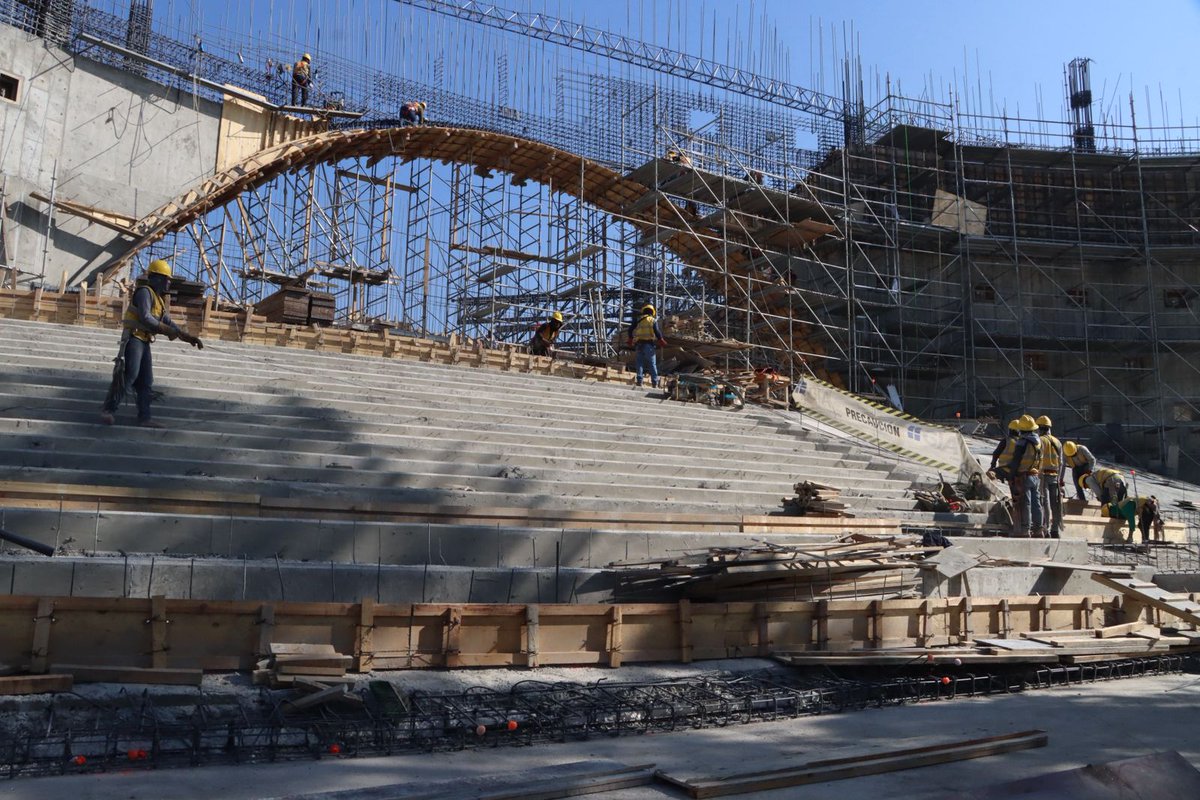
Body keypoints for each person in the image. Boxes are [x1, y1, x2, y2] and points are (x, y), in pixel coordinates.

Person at [100, 259, 203, 428]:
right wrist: (165, 330)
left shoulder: (159, 300)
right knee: (131, 374)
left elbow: (169, 322)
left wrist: (188, 337)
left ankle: (144, 418)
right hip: (134, 338)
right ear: (157, 278)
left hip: (144, 341)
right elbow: (146, 317)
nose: (169, 282)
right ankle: (108, 410)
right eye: (166, 279)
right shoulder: (144, 292)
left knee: (146, 381)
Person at [1010, 414, 1042, 537]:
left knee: (1026, 503)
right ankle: (1038, 529)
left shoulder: (1022, 442)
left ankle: (1025, 530)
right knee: (1037, 503)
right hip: (1035, 475)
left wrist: (1012, 475)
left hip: (1024, 476)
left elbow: (1016, 460)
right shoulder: (1038, 441)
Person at [1036, 415, 1064, 538]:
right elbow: (1061, 462)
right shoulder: (1057, 441)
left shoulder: (1040, 440)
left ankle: (1046, 529)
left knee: (1045, 502)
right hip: (1055, 476)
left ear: (1040, 428)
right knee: (1056, 504)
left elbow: (1037, 458)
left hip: (1043, 475)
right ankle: (1055, 530)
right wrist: (1060, 478)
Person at [627, 303, 667, 388]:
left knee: (639, 363)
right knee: (652, 364)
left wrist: (630, 338)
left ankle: (639, 381)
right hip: (649, 344)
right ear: (652, 312)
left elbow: (630, 329)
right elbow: (657, 331)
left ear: (643, 311)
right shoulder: (652, 320)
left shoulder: (638, 319)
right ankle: (654, 382)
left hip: (639, 344)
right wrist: (661, 339)